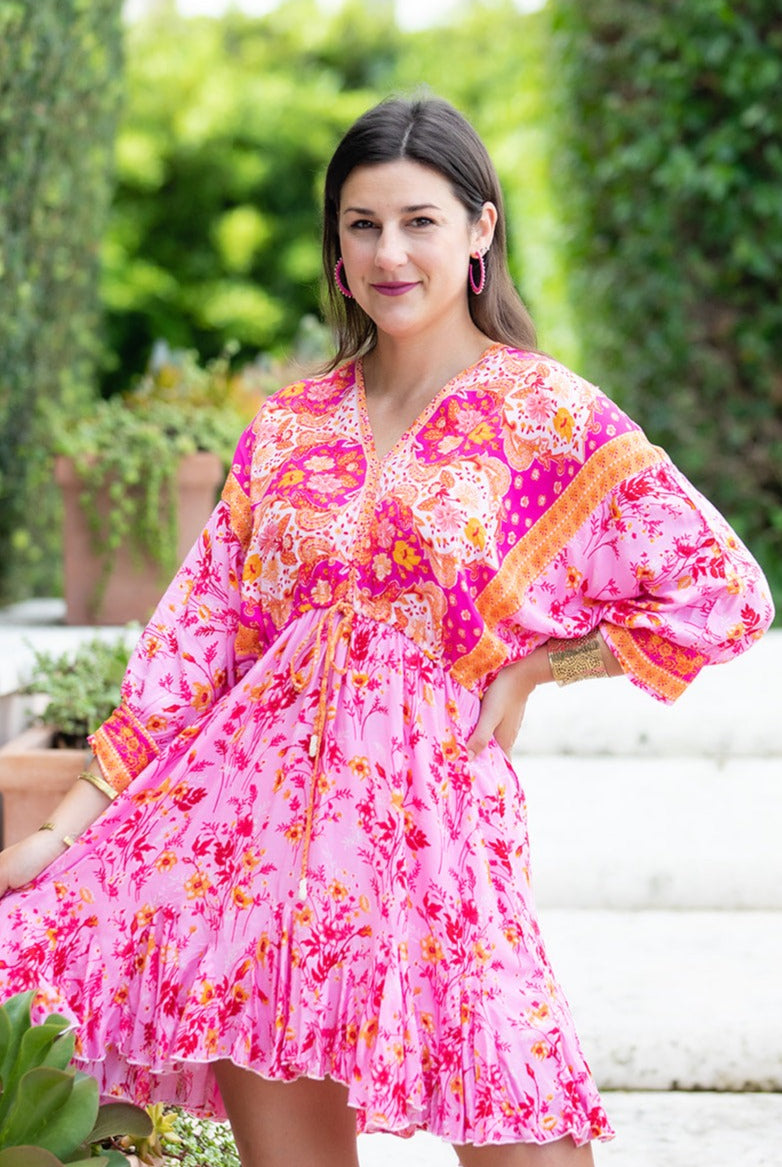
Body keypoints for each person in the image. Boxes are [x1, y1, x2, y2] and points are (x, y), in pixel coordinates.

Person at [0, 96, 774, 1167]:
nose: (388, 253)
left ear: (481, 229)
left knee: (529, 1133)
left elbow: (722, 590)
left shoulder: (545, 415)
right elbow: (194, 645)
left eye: (419, 221)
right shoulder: (288, 427)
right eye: (361, 225)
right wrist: (60, 830)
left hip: (433, 835)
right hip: (250, 849)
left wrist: (540, 669)